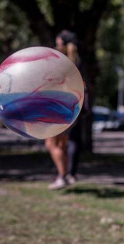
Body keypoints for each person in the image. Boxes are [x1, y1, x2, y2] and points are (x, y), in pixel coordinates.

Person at [46, 30, 82, 190]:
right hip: (71, 107)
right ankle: (65, 174)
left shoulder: (58, 62)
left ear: (60, 43)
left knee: (51, 143)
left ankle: (62, 176)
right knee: (61, 144)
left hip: (56, 107)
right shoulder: (76, 62)